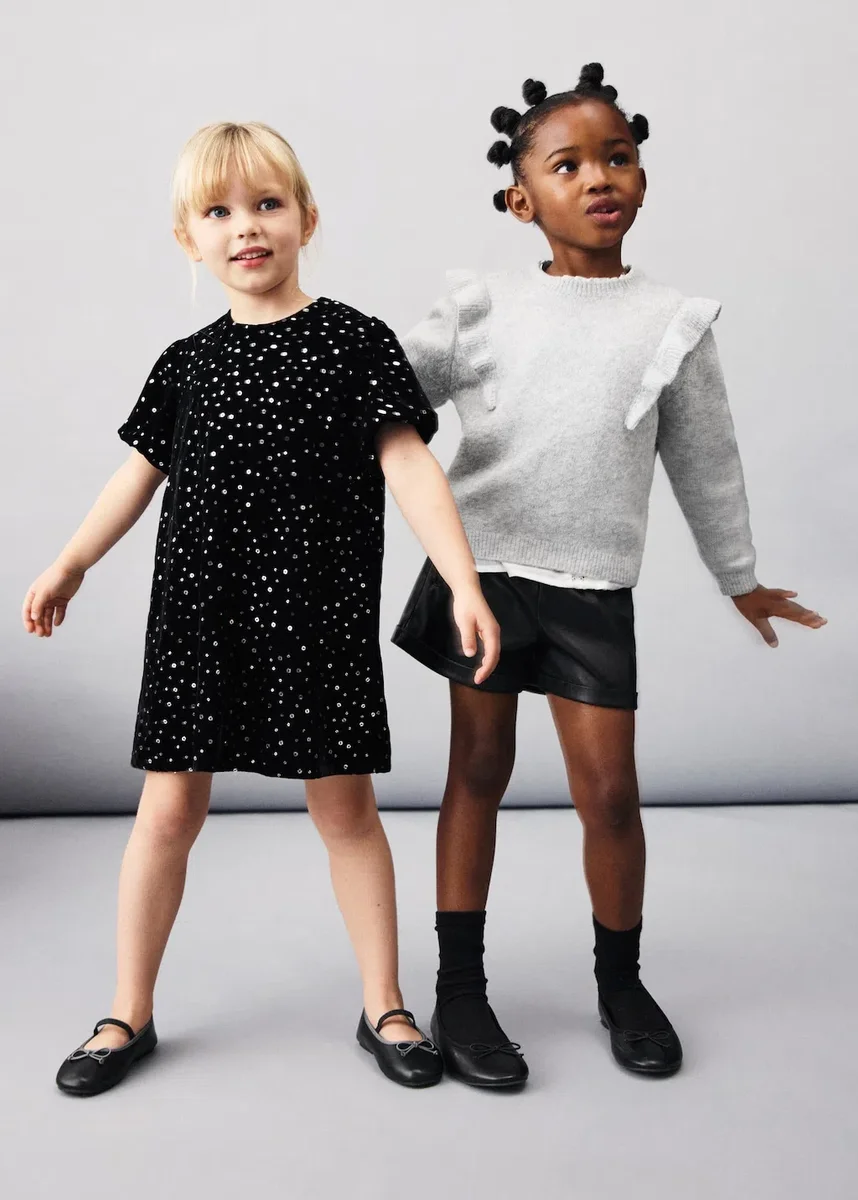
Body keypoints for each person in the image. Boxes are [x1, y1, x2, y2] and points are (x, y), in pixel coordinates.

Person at [22, 120, 499, 1097]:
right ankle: (128, 1010)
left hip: (318, 620)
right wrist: (71, 562)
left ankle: (385, 1004)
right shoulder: (185, 364)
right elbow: (136, 475)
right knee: (167, 812)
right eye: (219, 211)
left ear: (305, 219)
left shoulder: (355, 342)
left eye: (267, 204)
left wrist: (462, 579)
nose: (246, 227)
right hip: (200, 621)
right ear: (188, 238)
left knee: (346, 810)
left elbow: (410, 465)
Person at [392, 66, 827, 1085]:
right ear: (521, 200)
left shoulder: (672, 320)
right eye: (569, 164)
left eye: (618, 157)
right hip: (485, 576)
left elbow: (706, 459)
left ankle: (621, 983)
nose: (600, 178)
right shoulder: (482, 308)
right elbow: (381, 391)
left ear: (642, 178)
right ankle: (461, 990)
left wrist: (739, 576)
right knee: (477, 774)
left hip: (590, 585)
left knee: (612, 797)